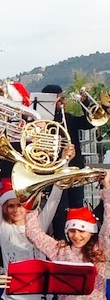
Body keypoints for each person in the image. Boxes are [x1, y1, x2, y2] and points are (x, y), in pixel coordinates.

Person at [26, 171, 110, 300]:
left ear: (91, 231)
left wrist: (106, 188)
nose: (77, 236)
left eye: (82, 231)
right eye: (72, 231)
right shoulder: (60, 250)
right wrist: (31, 202)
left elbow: (108, 223)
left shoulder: (100, 250)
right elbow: (32, 233)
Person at [0, 177, 65, 300]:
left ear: (27, 206)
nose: (16, 210)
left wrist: (64, 165)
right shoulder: (3, 227)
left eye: (20, 204)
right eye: (11, 205)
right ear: (4, 208)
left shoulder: (38, 224)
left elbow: (54, 200)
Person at [41, 84, 95, 238]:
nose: (64, 102)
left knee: (77, 205)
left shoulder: (68, 118)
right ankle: (60, 238)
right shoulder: (42, 123)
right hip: (55, 172)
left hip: (74, 169)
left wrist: (86, 104)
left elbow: (89, 123)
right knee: (58, 207)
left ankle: (78, 239)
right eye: (60, 99)